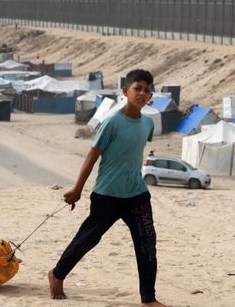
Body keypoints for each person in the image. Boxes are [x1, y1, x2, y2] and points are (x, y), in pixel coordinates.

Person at [48, 69, 166, 307]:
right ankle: (57, 274)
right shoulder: (112, 121)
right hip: (107, 195)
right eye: (137, 88)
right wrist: (77, 190)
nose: (143, 93)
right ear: (126, 91)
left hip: (137, 194)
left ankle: (148, 299)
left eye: (147, 89)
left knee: (147, 243)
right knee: (88, 239)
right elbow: (92, 157)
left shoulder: (146, 123)